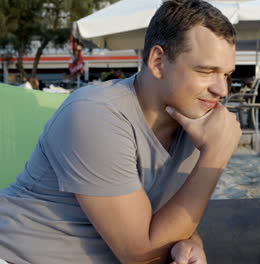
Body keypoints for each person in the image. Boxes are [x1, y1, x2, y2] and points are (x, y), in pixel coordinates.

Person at [0, 0, 240, 263]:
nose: (222, 90)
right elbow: (140, 254)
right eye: (206, 71)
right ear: (158, 61)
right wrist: (215, 155)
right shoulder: (95, 113)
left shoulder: (197, 124)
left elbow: (172, 218)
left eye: (227, 75)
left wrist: (191, 243)